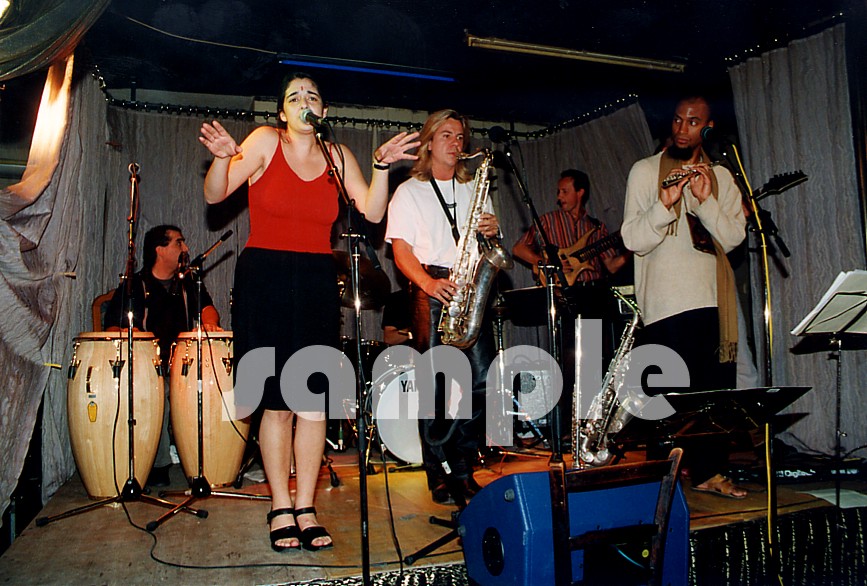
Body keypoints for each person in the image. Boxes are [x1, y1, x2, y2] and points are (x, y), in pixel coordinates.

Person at [198, 72, 419, 552]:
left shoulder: (337, 156)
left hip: (317, 279)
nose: (304, 101)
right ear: (282, 112)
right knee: (277, 402)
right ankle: (280, 505)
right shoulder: (264, 141)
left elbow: (372, 212)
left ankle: (306, 506)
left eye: (312, 96)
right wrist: (222, 159)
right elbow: (215, 194)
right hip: (266, 278)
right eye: (294, 96)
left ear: (323, 110)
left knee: (312, 400)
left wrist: (381, 167)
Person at [621, 94, 747, 498]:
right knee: (665, 400)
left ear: (707, 129)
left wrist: (706, 201)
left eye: (693, 122)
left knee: (712, 397)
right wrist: (664, 205)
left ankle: (710, 472)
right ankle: (658, 481)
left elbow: (733, 238)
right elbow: (632, 239)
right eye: (677, 120)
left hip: (713, 304)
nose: (681, 128)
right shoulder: (645, 171)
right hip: (665, 306)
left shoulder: (722, 177)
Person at [385, 109, 499, 505]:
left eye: (460, 136)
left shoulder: (473, 189)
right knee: (434, 388)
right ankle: (440, 472)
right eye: (447, 135)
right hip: (430, 287)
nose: (456, 143)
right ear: (429, 142)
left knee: (484, 382)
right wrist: (429, 284)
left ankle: (463, 465)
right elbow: (401, 251)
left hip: (469, 287)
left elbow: (489, 245)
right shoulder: (408, 192)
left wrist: (492, 232)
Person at [104, 224, 222, 487]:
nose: (186, 248)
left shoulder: (188, 283)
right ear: (160, 250)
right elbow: (111, 327)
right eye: (179, 242)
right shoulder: (135, 285)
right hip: (148, 371)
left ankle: (210, 461)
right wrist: (130, 334)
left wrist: (209, 323)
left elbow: (208, 309)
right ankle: (158, 465)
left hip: (184, 366)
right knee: (159, 390)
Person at [512, 169, 628, 283]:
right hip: (561, 290)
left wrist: (632, 250)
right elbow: (518, 249)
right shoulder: (548, 220)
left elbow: (612, 266)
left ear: (580, 192)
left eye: (565, 192)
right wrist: (548, 263)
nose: (559, 197)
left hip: (593, 290)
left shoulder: (597, 227)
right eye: (558, 192)